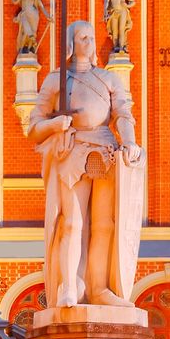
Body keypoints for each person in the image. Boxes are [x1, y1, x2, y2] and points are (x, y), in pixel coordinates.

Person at [24, 19, 144, 306]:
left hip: (106, 151)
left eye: (91, 38)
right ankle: (68, 285)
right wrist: (55, 124)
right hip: (73, 151)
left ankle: (99, 287)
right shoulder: (57, 79)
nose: (88, 43)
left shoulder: (108, 79)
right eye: (81, 38)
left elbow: (123, 114)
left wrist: (129, 142)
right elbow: (33, 127)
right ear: (71, 43)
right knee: (72, 223)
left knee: (104, 224)